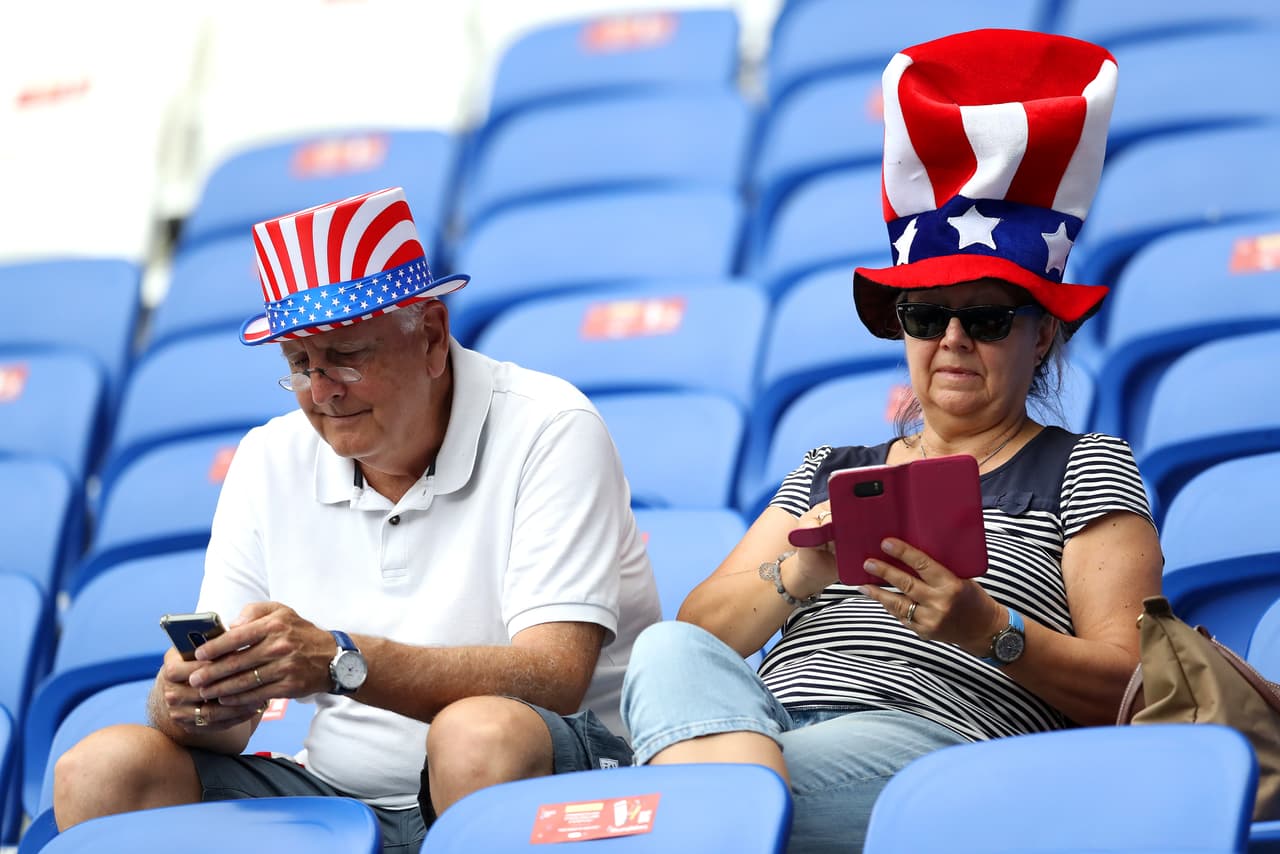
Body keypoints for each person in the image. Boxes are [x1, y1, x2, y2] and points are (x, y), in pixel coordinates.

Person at [619, 29, 1163, 853]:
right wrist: (801, 571)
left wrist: (988, 628)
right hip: (759, 727)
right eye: (924, 315)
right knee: (664, 650)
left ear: (1042, 337)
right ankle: (721, 813)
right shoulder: (831, 470)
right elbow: (703, 634)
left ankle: (700, 813)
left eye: (984, 317)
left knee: (683, 795)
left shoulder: (1080, 465)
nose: (951, 339)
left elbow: (1134, 685)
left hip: (939, 749)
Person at [53, 186, 662, 852]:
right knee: (102, 770)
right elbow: (229, 731)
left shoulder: (549, 425)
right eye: (299, 364)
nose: (320, 392)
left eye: (345, 356)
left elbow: (554, 677)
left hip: (554, 771)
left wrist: (343, 660)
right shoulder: (266, 458)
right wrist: (193, 700)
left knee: (477, 736)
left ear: (431, 336)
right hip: (340, 797)